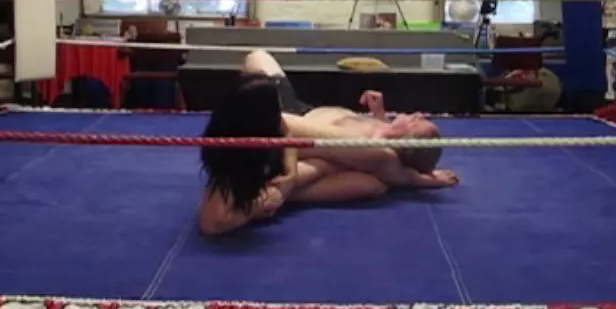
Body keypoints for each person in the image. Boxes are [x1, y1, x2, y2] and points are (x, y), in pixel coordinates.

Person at [197, 50, 459, 236]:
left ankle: (242, 155)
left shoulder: (377, 155)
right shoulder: (381, 129)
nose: (418, 114)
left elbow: (400, 174)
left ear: (403, 140)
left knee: (260, 105)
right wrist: (379, 116)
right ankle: (245, 140)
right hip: (297, 113)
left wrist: (424, 180)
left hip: (286, 127)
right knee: (257, 57)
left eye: (417, 121)